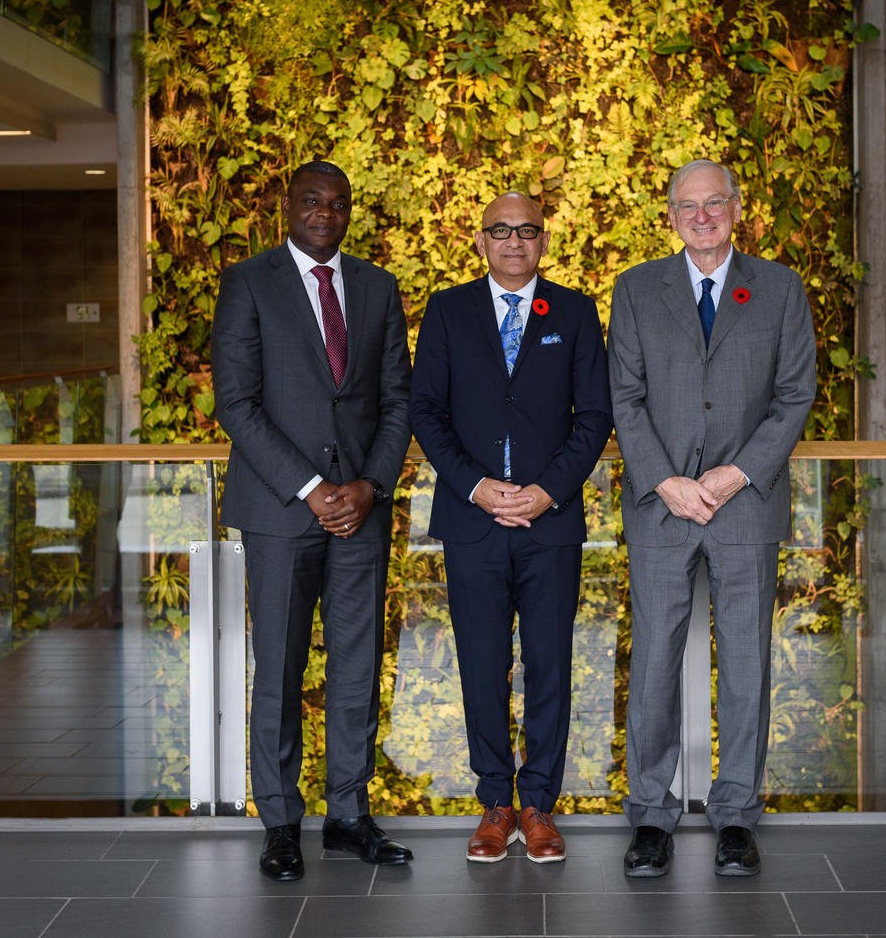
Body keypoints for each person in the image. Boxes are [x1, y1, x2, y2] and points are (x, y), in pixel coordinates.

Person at [608, 159, 816, 877]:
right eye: (688, 206)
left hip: (744, 504)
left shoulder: (782, 288)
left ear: (736, 206)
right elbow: (624, 398)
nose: (702, 215)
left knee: (747, 664)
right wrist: (665, 480)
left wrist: (731, 475)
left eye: (714, 203)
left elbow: (795, 395)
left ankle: (735, 814)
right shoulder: (636, 290)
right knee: (656, 663)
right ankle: (651, 817)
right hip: (661, 507)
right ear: (670, 215)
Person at [212, 160, 414, 881]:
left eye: (338, 203)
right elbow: (235, 403)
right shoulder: (249, 282)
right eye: (311, 201)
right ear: (288, 207)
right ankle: (279, 821)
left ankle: (349, 814)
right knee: (282, 666)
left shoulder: (377, 287)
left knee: (357, 667)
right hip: (279, 511)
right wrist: (310, 487)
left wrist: (368, 485)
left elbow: (398, 401)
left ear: (349, 211)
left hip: (361, 510)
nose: (325, 213)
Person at [410, 192, 613, 863]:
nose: (514, 240)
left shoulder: (577, 312)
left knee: (550, 662)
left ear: (543, 240)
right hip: (473, 519)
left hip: (549, 522)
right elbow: (426, 412)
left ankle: (539, 806)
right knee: (482, 663)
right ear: (480, 240)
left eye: (527, 229)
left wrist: (547, 490)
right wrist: (475, 485)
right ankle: (495, 803)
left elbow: (594, 417)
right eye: (501, 230)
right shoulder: (447, 310)